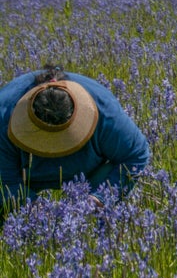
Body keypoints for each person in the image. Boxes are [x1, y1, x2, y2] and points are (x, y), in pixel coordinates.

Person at [0, 64, 150, 210]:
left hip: (90, 173)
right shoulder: (4, 116)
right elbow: (5, 181)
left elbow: (135, 155)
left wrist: (98, 199)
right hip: (22, 174)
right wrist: (36, 211)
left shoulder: (104, 111)